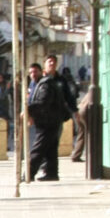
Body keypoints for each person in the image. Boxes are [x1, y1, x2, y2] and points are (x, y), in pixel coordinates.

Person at [26, 54, 72, 182]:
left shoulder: (45, 85)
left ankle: (29, 174)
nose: (33, 75)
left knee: (38, 149)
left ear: (41, 72)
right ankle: (52, 173)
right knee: (50, 149)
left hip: (48, 122)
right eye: (30, 72)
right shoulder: (39, 83)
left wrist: (28, 110)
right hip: (50, 121)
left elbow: (42, 102)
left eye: (35, 72)